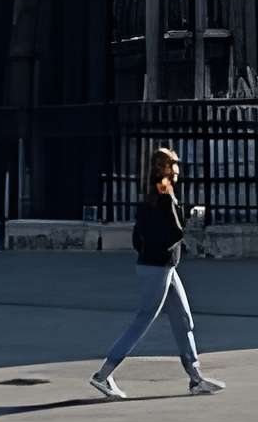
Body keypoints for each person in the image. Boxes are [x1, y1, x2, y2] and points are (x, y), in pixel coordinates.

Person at [90, 145, 225, 400]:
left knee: (183, 318)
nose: (178, 170)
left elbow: (137, 236)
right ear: (167, 169)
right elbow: (176, 231)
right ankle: (103, 375)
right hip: (159, 267)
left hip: (157, 265)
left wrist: (149, 249)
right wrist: (186, 216)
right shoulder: (165, 195)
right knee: (143, 320)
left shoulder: (148, 194)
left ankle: (196, 378)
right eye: (174, 165)